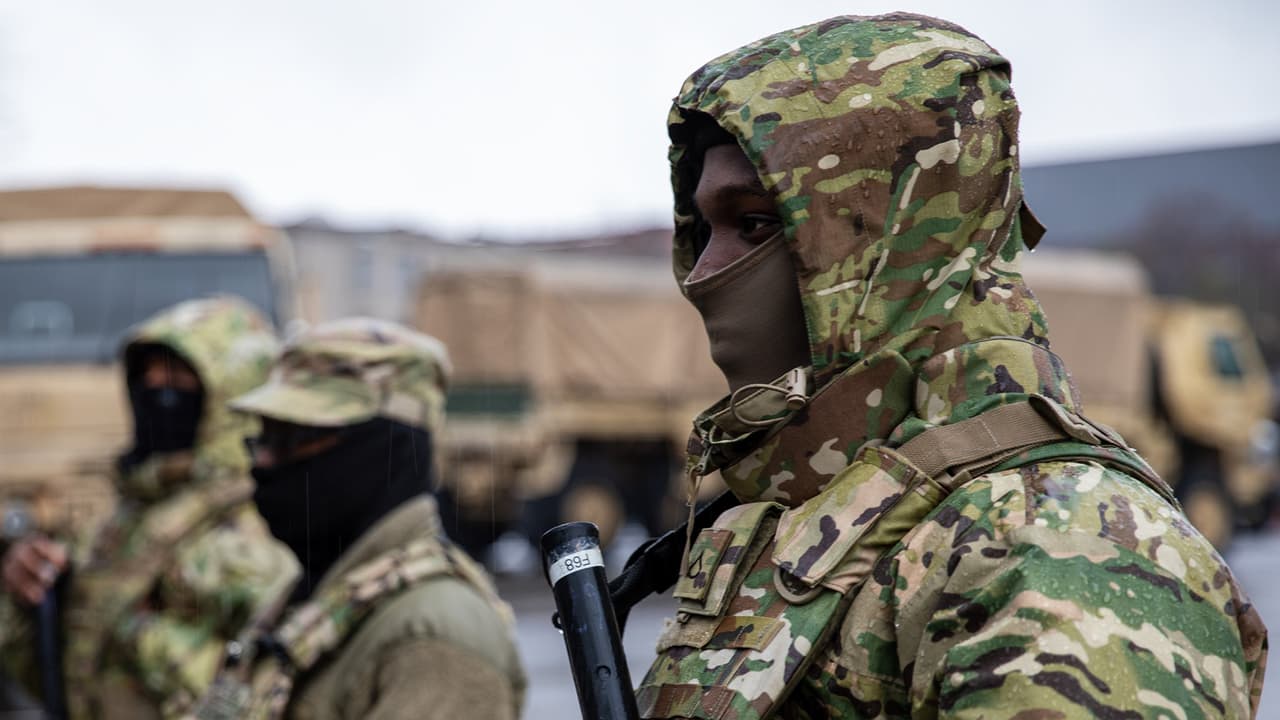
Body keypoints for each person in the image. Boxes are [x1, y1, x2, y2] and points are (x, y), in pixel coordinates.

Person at [635, 13, 1267, 719]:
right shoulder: (823, 508)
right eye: (704, 229)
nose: (701, 275)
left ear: (882, 246)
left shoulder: (1061, 549)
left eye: (753, 223)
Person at [191, 317, 525, 720]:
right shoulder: (313, 596)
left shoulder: (434, 636)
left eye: (292, 437)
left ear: (381, 447)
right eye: (264, 437)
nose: (262, 462)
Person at [0, 296, 298, 719]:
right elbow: (57, 681)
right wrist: (30, 603)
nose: (157, 387)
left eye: (178, 375)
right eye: (147, 373)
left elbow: (272, 692)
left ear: (230, 393)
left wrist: (144, 638)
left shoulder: (264, 531)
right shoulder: (118, 520)